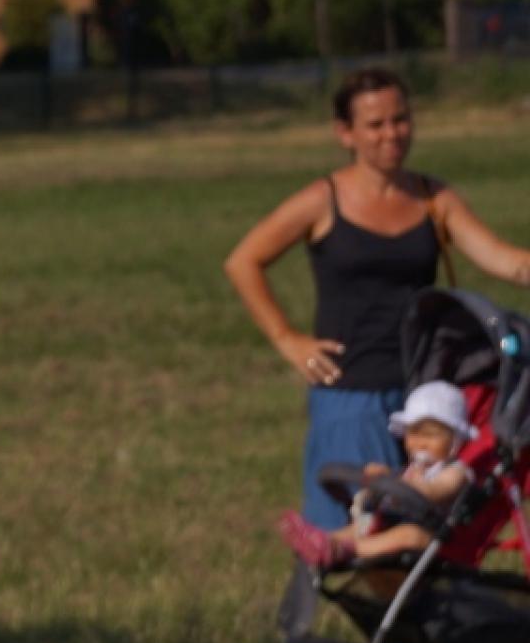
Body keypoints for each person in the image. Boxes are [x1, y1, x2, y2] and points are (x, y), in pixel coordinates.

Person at [225, 68, 530, 531]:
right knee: (349, 536)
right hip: (351, 394)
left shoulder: (433, 198)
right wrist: (287, 339)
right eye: (375, 124)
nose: (392, 133)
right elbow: (244, 261)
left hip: (422, 394)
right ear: (345, 133)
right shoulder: (323, 199)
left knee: (416, 535)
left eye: (400, 119)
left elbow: (506, 262)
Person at [277, 380, 473, 568]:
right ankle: (320, 541)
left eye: (431, 435)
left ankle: (345, 549)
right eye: (413, 434)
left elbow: (435, 490)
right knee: (362, 526)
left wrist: (398, 484)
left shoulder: (456, 471)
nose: (420, 443)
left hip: (433, 539)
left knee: (409, 534)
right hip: (390, 523)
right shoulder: (411, 469)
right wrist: (381, 479)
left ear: (455, 441)